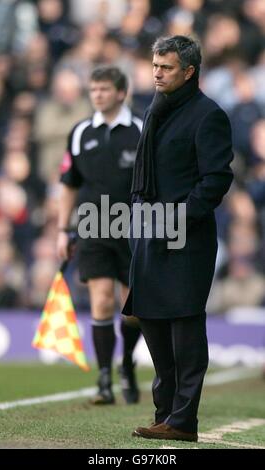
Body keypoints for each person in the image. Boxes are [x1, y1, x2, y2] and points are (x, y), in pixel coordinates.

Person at [122, 36, 234, 441]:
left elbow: (216, 179)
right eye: (154, 65)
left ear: (189, 72)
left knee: (184, 331)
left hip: (186, 239)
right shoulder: (154, 110)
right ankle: (164, 413)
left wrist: (176, 218)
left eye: (165, 67)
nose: (156, 72)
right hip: (148, 234)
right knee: (151, 323)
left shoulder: (208, 115)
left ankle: (182, 422)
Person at [56, 66, 142, 405]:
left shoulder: (139, 130)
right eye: (94, 89)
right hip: (92, 226)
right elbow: (68, 185)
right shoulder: (79, 133)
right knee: (102, 298)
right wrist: (63, 230)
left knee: (133, 308)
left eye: (105, 89)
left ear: (121, 93)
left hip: (132, 227)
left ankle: (127, 364)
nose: (98, 95)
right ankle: (105, 377)